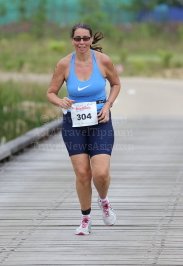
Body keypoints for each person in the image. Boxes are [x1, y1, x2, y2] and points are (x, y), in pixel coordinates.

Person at [46, 22, 121, 235]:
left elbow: (116, 84)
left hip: (100, 120)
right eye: (77, 38)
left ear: (91, 40)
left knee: (101, 173)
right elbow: (50, 92)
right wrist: (60, 101)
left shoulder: (103, 61)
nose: (81, 42)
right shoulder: (64, 64)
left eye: (85, 38)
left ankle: (104, 201)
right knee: (82, 173)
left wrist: (108, 104)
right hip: (74, 123)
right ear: (72, 40)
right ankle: (85, 219)